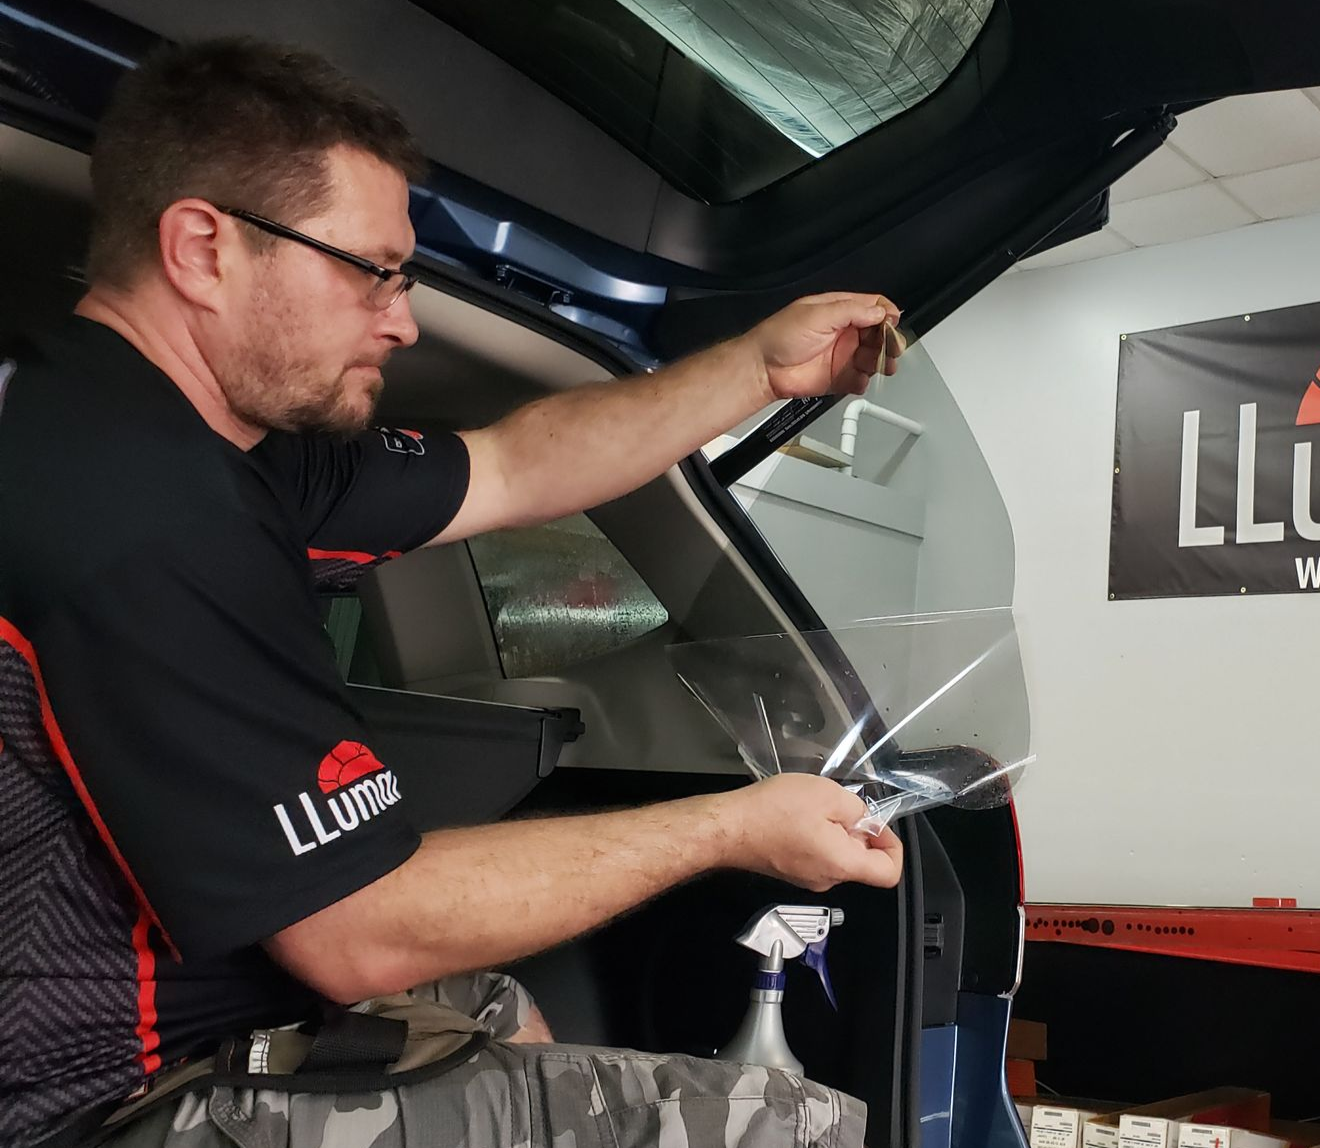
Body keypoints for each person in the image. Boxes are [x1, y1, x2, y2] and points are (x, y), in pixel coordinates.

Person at [0, 37, 905, 1148]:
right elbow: (359, 933)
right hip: (104, 1106)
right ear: (202, 248)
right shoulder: (130, 505)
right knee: (784, 1129)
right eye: (371, 270)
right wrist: (733, 825)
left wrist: (757, 368)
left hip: (232, 1021)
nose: (403, 317)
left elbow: (518, 464)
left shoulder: (222, 444)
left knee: (497, 1005)